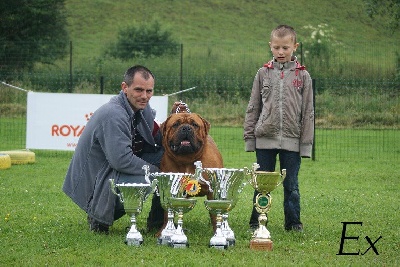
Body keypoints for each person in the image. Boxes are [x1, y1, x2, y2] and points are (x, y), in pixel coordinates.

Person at [63, 65, 180, 234]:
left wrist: (175, 119)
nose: (145, 96)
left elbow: (155, 140)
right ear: (124, 88)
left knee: (166, 160)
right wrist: (158, 172)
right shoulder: (114, 114)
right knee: (147, 180)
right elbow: (121, 160)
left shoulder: (139, 106)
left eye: (149, 91)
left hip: (112, 168)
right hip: (96, 179)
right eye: (139, 90)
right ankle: (97, 217)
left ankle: (157, 223)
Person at [243, 25, 314, 232]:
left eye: (285, 47)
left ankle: (293, 223)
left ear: (295, 47)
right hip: (264, 139)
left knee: (291, 185)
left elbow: (308, 111)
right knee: (261, 184)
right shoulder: (262, 73)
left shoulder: (303, 76)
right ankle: (256, 222)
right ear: (270, 47)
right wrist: (250, 138)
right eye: (276, 48)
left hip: (292, 142)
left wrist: (306, 145)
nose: (281, 52)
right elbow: (253, 106)